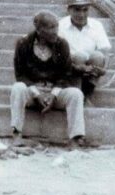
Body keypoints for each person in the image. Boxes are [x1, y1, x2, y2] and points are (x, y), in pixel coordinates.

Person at [11, 11, 86, 146]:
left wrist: (53, 95)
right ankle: (17, 134)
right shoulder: (23, 43)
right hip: (33, 91)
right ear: (39, 30)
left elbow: (65, 74)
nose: (55, 31)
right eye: (51, 27)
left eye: (56, 26)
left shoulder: (62, 44)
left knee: (76, 94)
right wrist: (36, 94)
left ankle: (75, 138)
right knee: (18, 88)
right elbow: (20, 75)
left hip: (54, 91)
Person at [57, 0, 112, 98]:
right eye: (77, 10)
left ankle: (87, 91)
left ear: (89, 9)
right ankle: (76, 91)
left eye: (85, 10)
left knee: (98, 56)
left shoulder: (96, 25)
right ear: (69, 10)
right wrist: (77, 67)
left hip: (91, 67)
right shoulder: (61, 25)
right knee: (79, 56)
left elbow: (105, 49)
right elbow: (58, 54)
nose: (81, 14)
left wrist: (104, 69)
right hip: (71, 66)